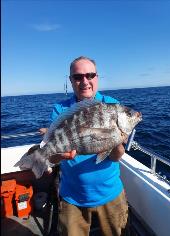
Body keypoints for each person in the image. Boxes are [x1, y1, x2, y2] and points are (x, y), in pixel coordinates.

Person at [40, 56, 128, 236]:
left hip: (110, 193)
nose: (85, 81)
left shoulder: (112, 105)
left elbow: (116, 156)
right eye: (78, 77)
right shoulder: (60, 109)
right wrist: (59, 155)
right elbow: (52, 157)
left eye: (90, 75)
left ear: (97, 77)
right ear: (71, 80)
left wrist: (116, 140)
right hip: (72, 197)